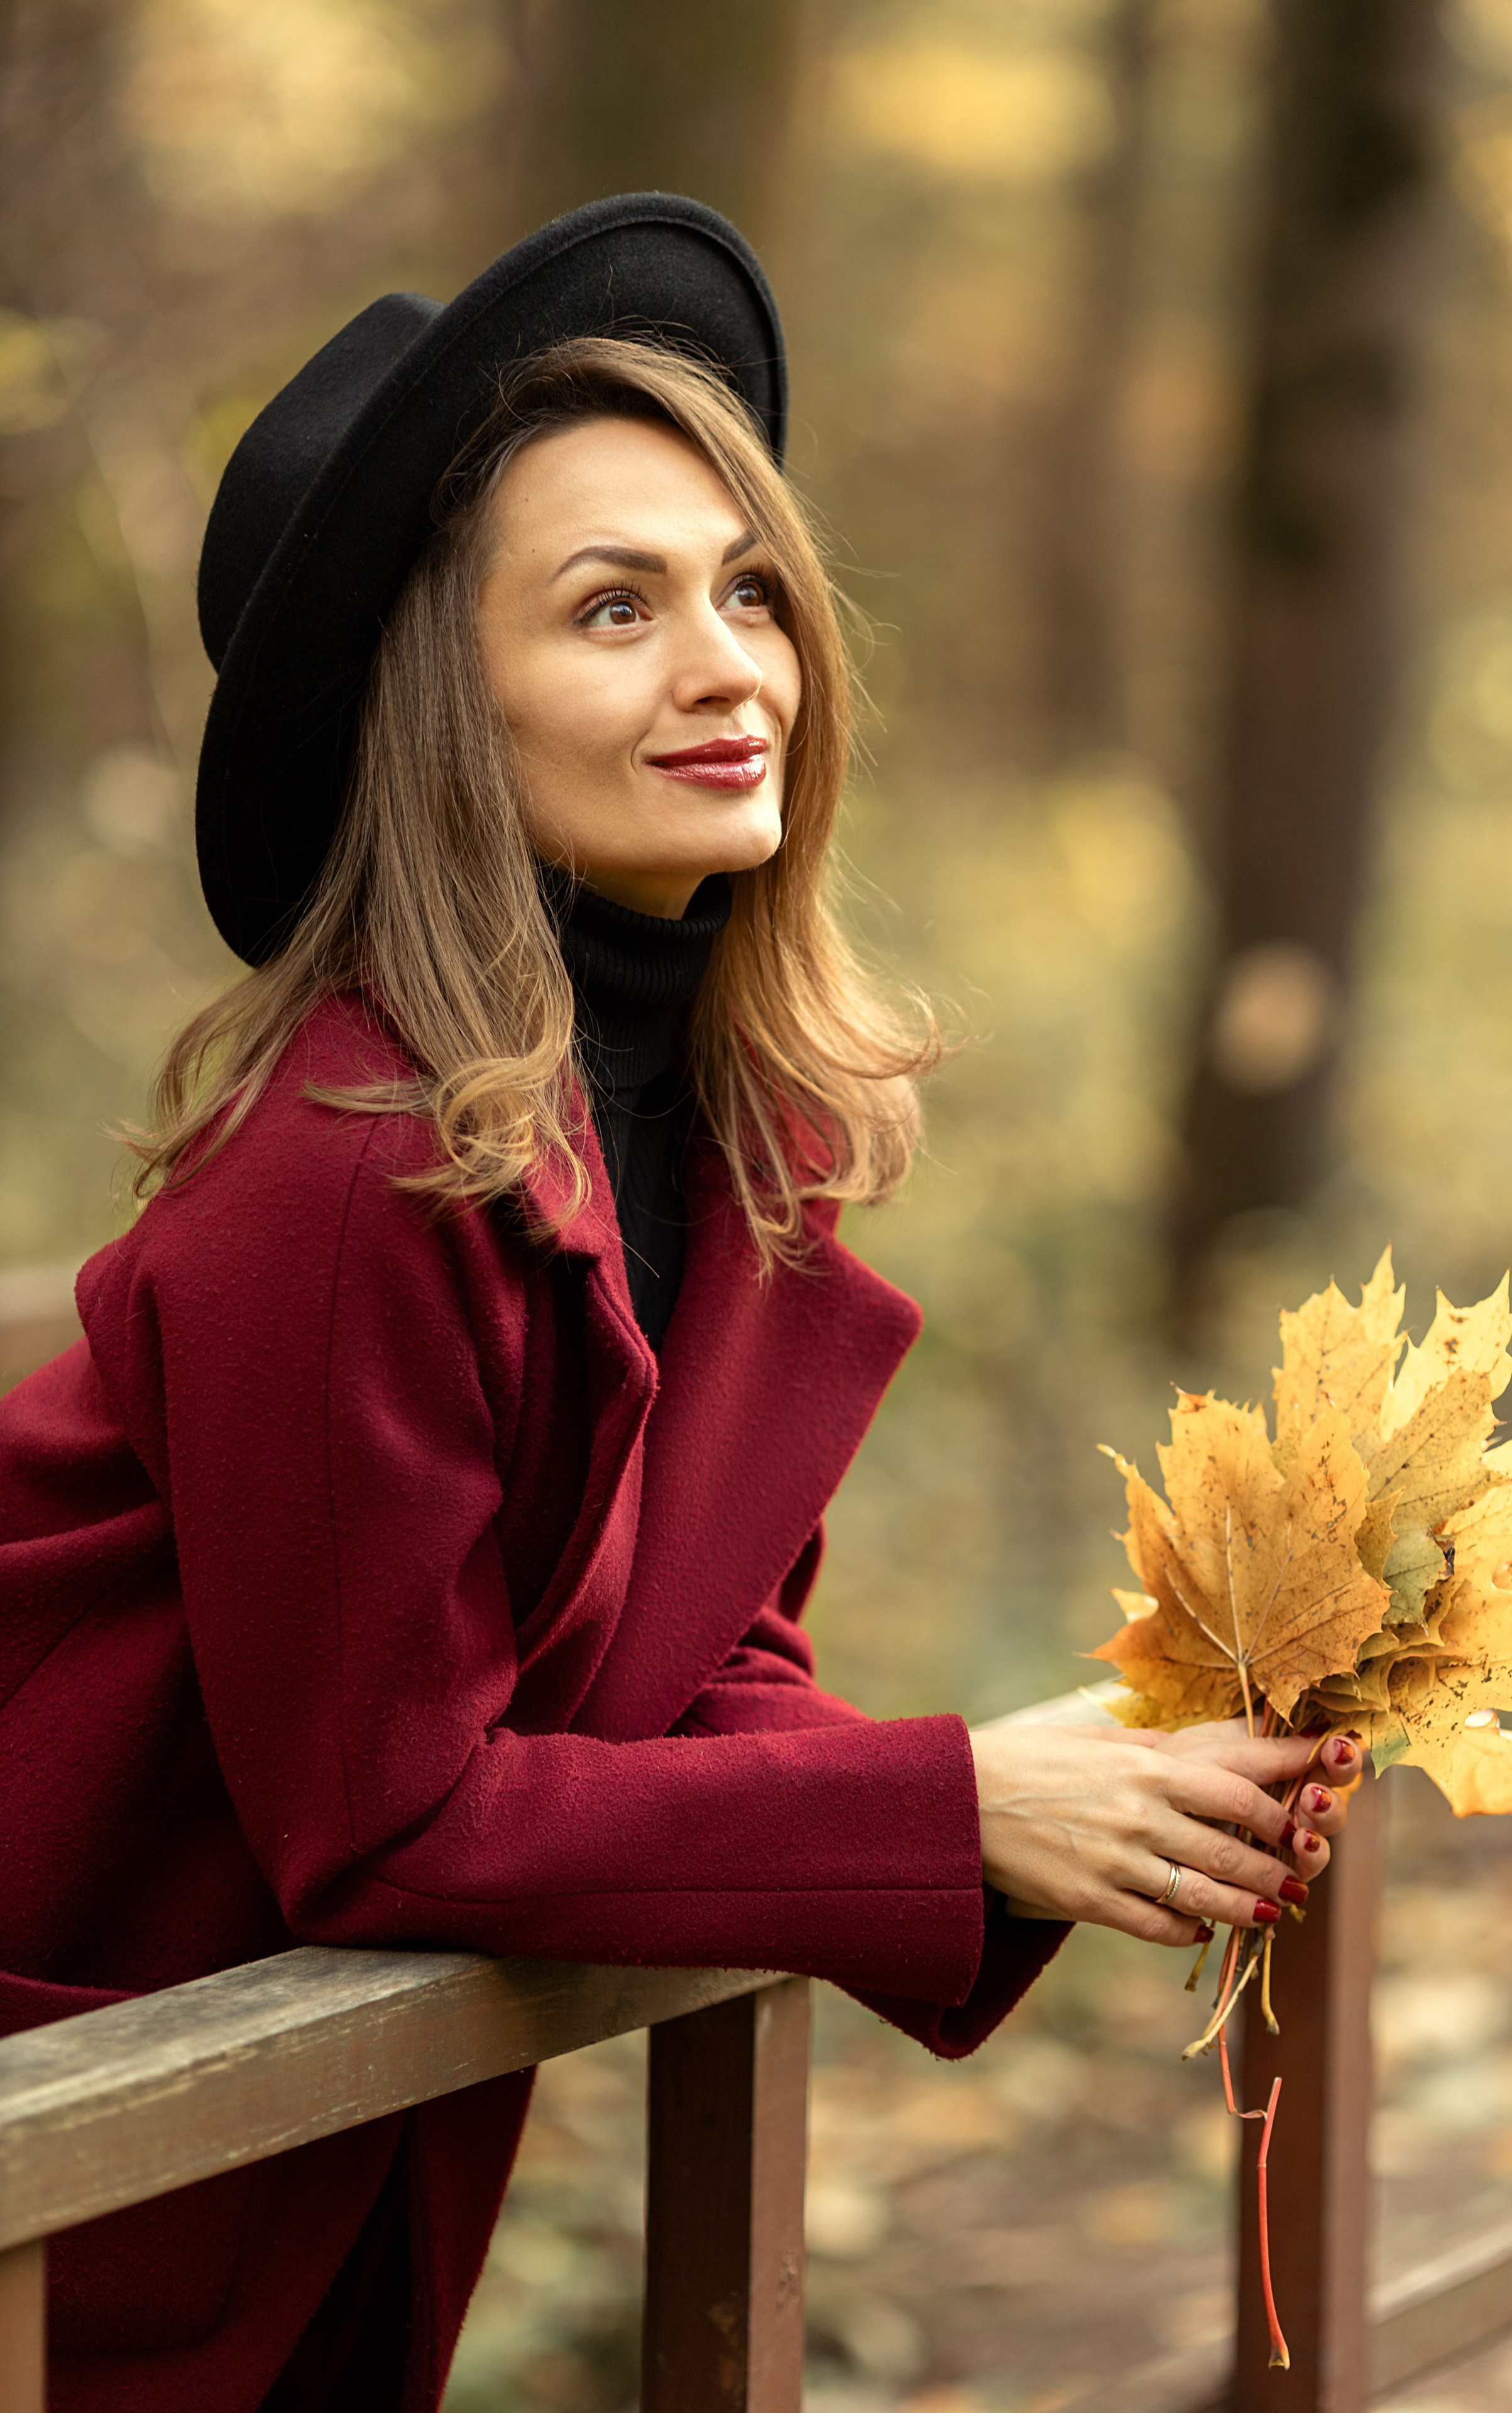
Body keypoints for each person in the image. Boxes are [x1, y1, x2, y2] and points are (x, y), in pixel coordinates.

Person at [0, 195, 1356, 2412]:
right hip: (87, 2137)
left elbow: (688, 1671)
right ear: (438, 708)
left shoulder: (722, 1141)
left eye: (750, 591)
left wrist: (1082, 1790)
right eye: (611, 608)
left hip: (299, 2128)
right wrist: (955, 1808)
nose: (733, 668)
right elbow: (387, 1810)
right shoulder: (344, 1170)